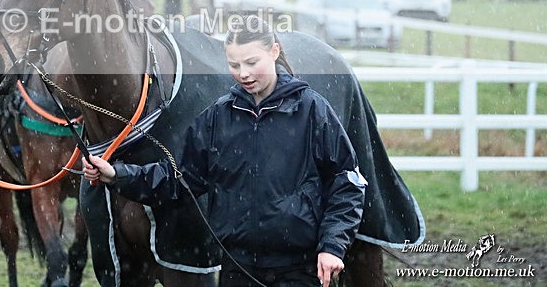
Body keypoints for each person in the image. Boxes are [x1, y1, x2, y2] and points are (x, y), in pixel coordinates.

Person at [83, 15, 366, 287]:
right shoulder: (217, 117)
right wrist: (116, 175)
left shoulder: (313, 111)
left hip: (298, 269)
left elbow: (346, 183)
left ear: (274, 52)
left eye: (251, 62)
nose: (243, 74)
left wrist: (332, 246)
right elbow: (178, 179)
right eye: (234, 64)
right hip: (236, 267)